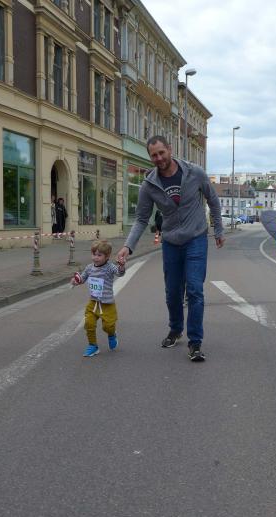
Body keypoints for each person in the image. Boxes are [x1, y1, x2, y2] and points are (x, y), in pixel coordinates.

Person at [117, 135, 224, 362]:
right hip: (171, 242)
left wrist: (219, 230)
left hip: (196, 238)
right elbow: (141, 219)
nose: (158, 158)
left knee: (194, 290)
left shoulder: (194, 173)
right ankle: (176, 329)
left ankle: (195, 342)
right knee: (173, 292)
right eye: (153, 155)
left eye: (161, 152)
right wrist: (128, 246)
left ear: (170, 149)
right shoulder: (149, 185)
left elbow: (213, 200)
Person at [71, 240, 126, 356]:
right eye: (94, 254)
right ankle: (93, 346)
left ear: (107, 257)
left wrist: (121, 265)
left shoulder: (109, 267)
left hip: (107, 304)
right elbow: (82, 279)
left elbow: (119, 273)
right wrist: (76, 281)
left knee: (108, 326)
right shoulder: (89, 268)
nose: (95, 257)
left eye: (99, 255)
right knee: (89, 323)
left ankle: (112, 334)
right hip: (93, 302)